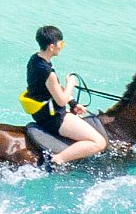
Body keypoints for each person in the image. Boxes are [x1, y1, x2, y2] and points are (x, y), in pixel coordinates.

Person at [24, 25, 107, 167]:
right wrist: (71, 84)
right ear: (51, 46)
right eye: (61, 43)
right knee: (99, 142)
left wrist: (74, 104)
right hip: (53, 118)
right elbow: (61, 101)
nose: (62, 46)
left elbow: (52, 88)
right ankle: (57, 159)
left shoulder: (35, 59)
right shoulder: (47, 72)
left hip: (42, 112)